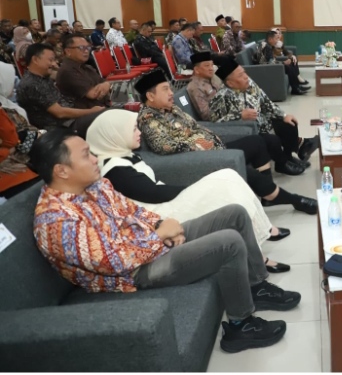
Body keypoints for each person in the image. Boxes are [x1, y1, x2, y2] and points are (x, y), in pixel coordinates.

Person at [29, 128, 300, 352]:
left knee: (234, 214)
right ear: (61, 171)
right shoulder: (55, 221)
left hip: (150, 245)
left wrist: (163, 226)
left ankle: (256, 286)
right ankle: (241, 326)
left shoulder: (97, 186)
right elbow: (114, 262)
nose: (95, 158)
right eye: (86, 155)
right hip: (133, 274)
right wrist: (159, 236)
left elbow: (135, 212)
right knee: (228, 242)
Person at [86, 110, 291, 273]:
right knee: (224, 183)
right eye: (133, 129)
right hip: (160, 216)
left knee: (229, 177)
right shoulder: (115, 169)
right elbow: (154, 194)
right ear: (113, 136)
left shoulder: (123, 155)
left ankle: (262, 232)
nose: (139, 132)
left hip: (162, 204)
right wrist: (194, 189)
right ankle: (259, 254)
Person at [134, 69, 316, 210]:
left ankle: (268, 194)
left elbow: (195, 126)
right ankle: (291, 200)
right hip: (203, 157)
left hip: (214, 148)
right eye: (165, 89)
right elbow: (163, 146)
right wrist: (198, 144)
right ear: (150, 96)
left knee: (258, 142)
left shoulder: (171, 109)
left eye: (169, 88)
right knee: (247, 169)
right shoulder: (149, 119)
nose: (171, 92)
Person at [209, 58, 320, 168]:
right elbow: (216, 122)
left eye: (244, 72)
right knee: (273, 140)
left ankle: (289, 157)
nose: (246, 77)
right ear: (230, 83)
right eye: (240, 76)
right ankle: (283, 164)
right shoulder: (221, 97)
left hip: (264, 122)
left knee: (290, 124)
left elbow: (266, 102)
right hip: (250, 131)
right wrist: (239, 116)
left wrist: (284, 115)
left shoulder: (250, 84)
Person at [16, 43, 105, 131]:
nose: (54, 64)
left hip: (69, 119)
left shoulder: (42, 77)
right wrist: (92, 111)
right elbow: (60, 113)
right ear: (35, 60)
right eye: (51, 60)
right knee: (104, 117)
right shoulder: (32, 84)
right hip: (61, 127)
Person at [0, 62, 42, 197]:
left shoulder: (7, 105)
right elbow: (12, 140)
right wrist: (7, 151)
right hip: (10, 171)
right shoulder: (5, 109)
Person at [56, 34, 111, 109]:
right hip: (88, 112)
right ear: (68, 51)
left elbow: (104, 82)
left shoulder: (87, 67)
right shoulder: (67, 70)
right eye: (81, 48)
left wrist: (106, 84)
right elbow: (93, 94)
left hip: (103, 107)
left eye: (88, 47)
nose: (86, 51)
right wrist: (105, 85)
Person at [254, 29, 309, 95]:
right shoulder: (267, 47)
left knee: (290, 63)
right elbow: (270, 63)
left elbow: (271, 60)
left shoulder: (266, 44)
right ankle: (295, 89)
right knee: (288, 67)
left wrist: (283, 62)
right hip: (263, 68)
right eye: (275, 39)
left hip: (266, 66)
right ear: (270, 39)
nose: (277, 41)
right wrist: (283, 63)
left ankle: (297, 87)